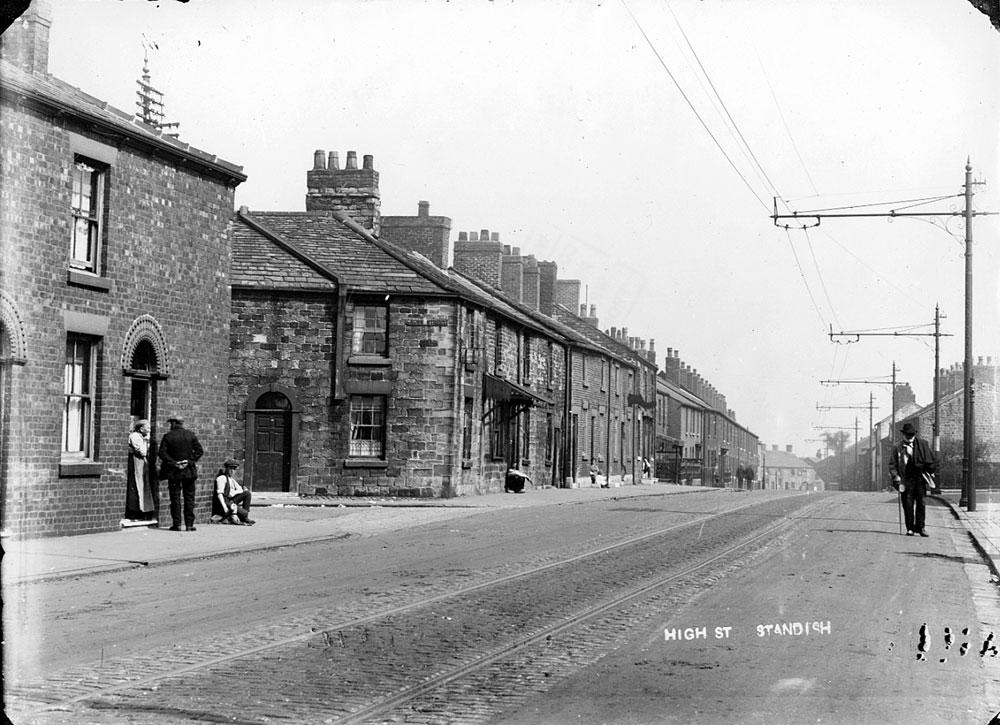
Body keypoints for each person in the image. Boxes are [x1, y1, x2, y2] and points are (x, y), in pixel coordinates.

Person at [889, 422, 938, 537]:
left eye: (911, 435)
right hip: (905, 479)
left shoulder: (923, 444)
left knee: (921, 503)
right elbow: (892, 464)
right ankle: (910, 528)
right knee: (908, 504)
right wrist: (896, 476)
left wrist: (930, 471)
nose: (910, 437)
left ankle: (921, 528)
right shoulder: (897, 447)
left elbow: (931, 460)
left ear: (914, 434)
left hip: (920, 478)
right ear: (903, 434)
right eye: (907, 435)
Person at [158, 415, 204, 532]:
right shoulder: (190, 435)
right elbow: (199, 451)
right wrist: (188, 461)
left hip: (174, 472)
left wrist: (174, 463)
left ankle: (177, 524)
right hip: (189, 472)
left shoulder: (168, 436)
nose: (170, 425)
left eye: (171, 423)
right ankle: (189, 525)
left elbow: (162, 453)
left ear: (174, 423)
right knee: (189, 498)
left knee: (175, 499)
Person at [126, 420, 156, 521]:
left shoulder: (142, 437)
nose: (149, 429)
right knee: (136, 485)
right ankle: (134, 512)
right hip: (136, 464)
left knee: (144, 486)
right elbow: (143, 452)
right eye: (147, 427)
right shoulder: (135, 436)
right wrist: (146, 441)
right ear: (141, 428)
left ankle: (144, 511)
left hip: (142, 464)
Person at [215, 459, 255, 525]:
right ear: (226, 468)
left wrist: (233, 492)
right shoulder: (222, 478)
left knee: (247, 493)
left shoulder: (231, 479)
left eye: (234, 469)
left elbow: (241, 490)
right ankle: (243, 515)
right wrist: (224, 507)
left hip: (231, 500)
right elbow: (220, 494)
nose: (232, 471)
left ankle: (245, 517)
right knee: (244, 513)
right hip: (226, 502)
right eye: (230, 468)